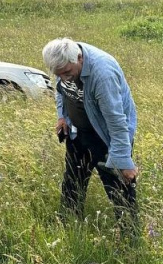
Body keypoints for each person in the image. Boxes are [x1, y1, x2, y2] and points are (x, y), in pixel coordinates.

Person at [41, 38, 139, 226]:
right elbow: (61, 90)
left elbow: (117, 122)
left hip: (105, 138)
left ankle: (130, 240)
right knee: (72, 184)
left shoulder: (103, 74)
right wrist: (62, 116)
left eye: (67, 72)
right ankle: (69, 226)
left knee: (120, 191)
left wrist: (123, 160)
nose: (64, 77)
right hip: (78, 134)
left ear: (80, 59)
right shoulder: (62, 59)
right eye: (58, 73)